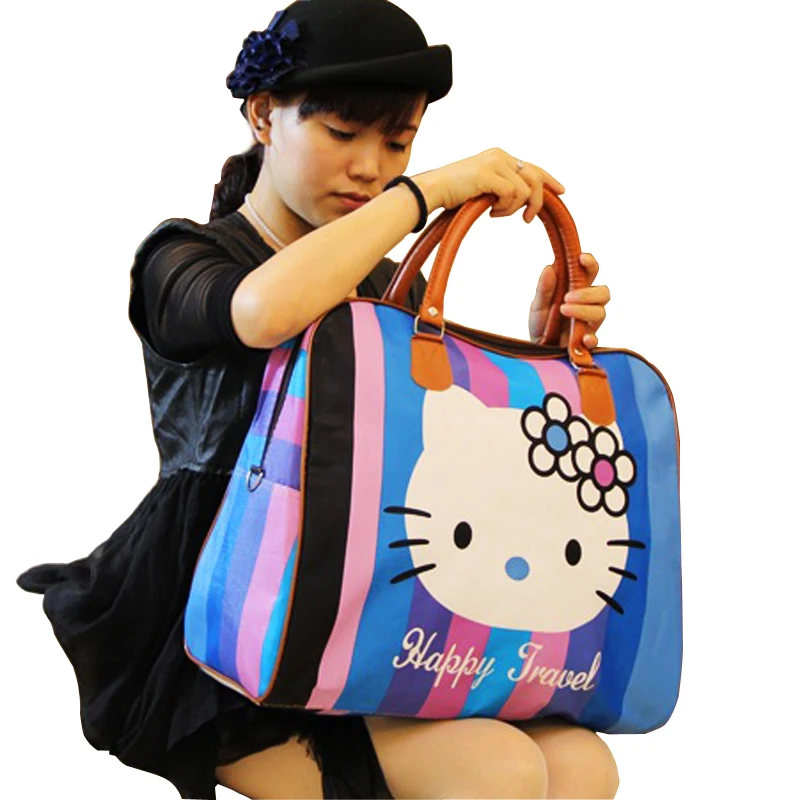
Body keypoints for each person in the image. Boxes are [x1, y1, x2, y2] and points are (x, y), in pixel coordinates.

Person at [16, 1, 617, 798]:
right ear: (264, 115)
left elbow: (437, 447)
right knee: (498, 773)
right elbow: (264, 312)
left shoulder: (390, 289)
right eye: (342, 132)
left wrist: (543, 350)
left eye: (397, 142)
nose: (370, 167)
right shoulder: (182, 258)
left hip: (362, 600)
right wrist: (425, 192)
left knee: (583, 764)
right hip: (225, 621)